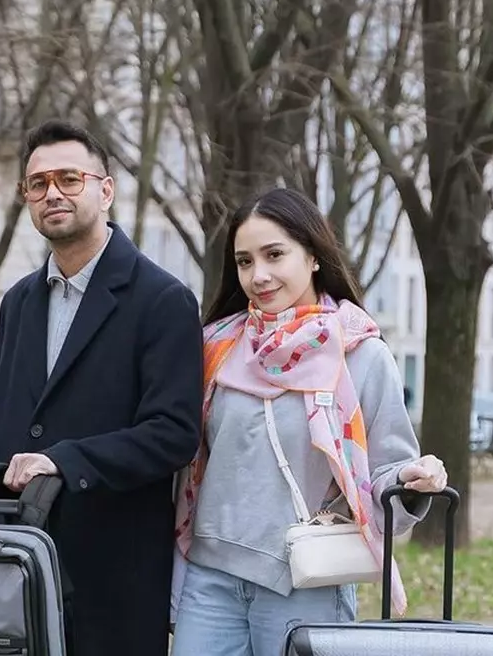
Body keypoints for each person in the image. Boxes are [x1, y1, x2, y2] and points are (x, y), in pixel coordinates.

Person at [169, 187, 448, 655]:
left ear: (314, 256)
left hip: (309, 580)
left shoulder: (359, 352)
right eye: (244, 261)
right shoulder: (214, 348)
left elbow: (382, 470)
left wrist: (410, 478)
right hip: (210, 579)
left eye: (275, 254)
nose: (258, 275)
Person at [0, 120, 203, 656]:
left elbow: (174, 434)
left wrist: (64, 461)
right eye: (37, 183)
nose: (52, 192)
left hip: (112, 579)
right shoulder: (17, 302)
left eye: (69, 178)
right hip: (16, 564)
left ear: (106, 189)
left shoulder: (163, 301)